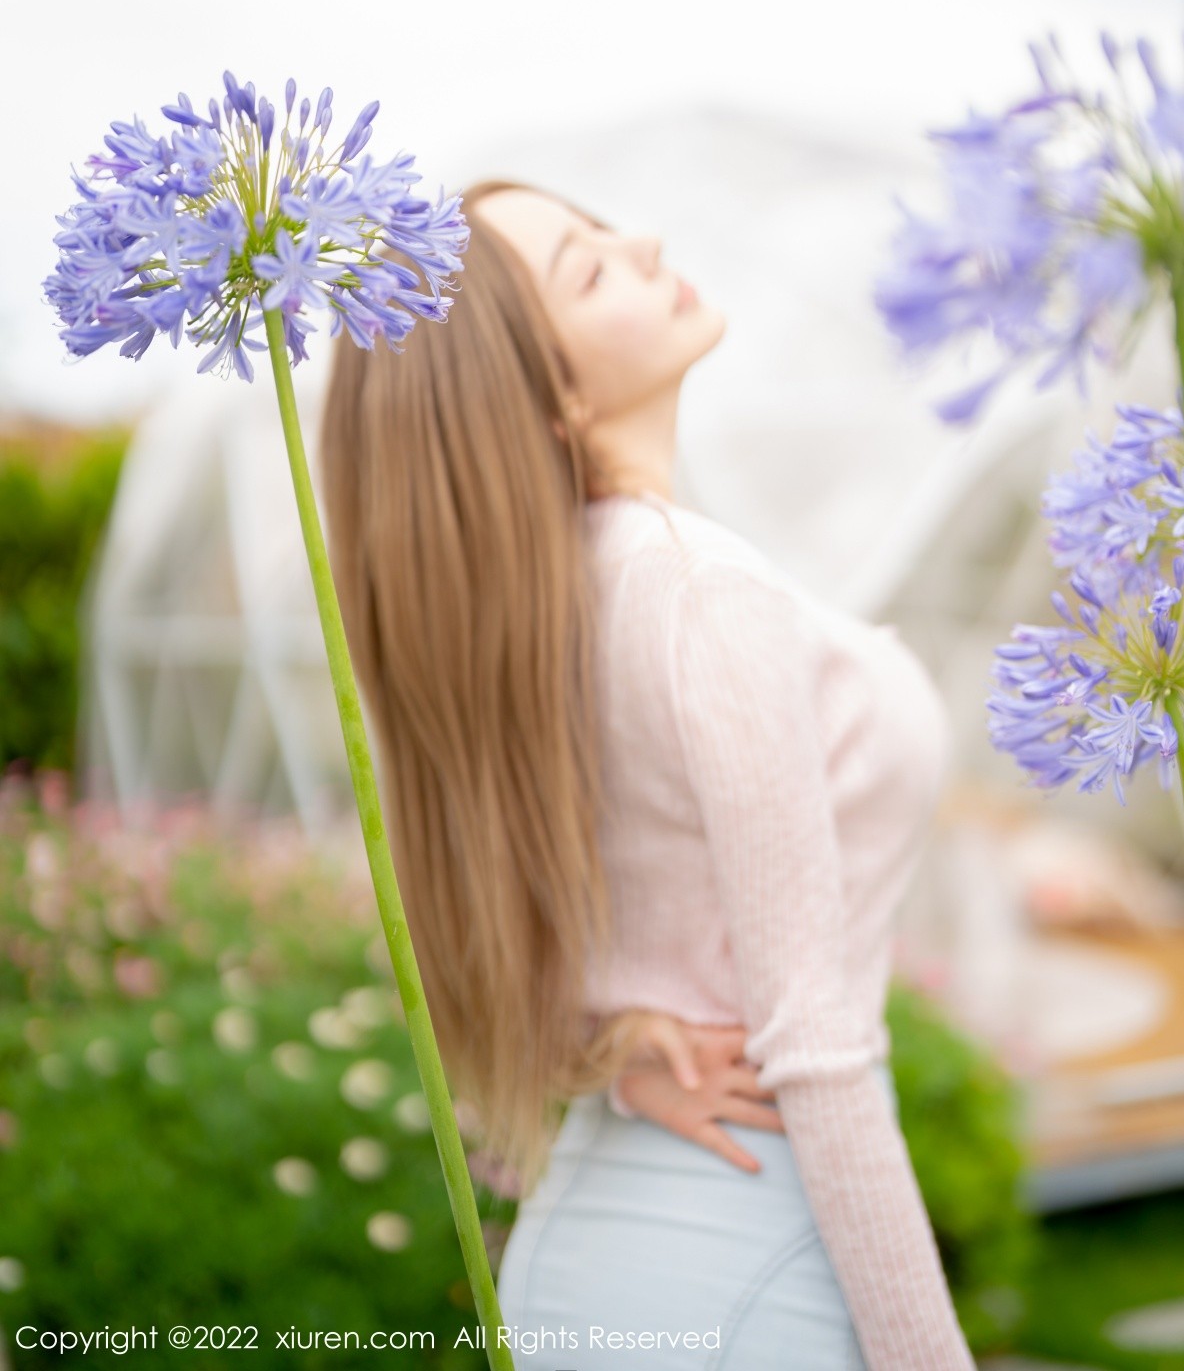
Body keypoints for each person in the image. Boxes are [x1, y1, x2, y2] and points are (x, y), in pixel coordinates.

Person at [320, 177, 976, 1371]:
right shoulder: (693, 592)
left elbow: (521, 916)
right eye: (591, 267)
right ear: (554, 394)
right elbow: (816, 1046)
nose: (648, 241)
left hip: (592, 1262)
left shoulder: (536, 616)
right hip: (741, 1268)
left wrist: (605, 1047)